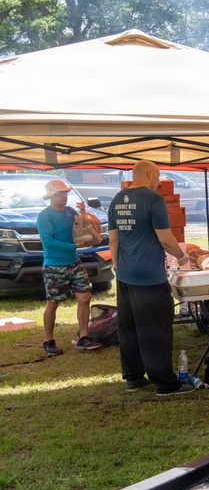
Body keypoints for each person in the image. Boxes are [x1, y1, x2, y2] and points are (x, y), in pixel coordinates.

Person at [108, 160, 194, 396]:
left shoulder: (117, 199)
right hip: (149, 276)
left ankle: (133, 378)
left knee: (130, 328)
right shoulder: (153, 199)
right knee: (156, 329)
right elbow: (165, 239)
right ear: (149, 173)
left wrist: (118, 268)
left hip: (125, 276)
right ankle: (165, 383)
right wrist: (183, 257)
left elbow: (113, 240)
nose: (159, 181)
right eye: (157, 176)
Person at [36, 179, 103, 355]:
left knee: (85, 297)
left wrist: (83, 213)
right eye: (60, 193)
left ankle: (84, 337)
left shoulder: (70, 211)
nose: (64, 196)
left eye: (66, 193)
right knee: (53, 302)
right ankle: (48, 341)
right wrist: (74, 246)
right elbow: (48, 242)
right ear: (51, 196)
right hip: (54, 265)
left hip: (74, 262)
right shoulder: (45, 216)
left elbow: (85, 226)